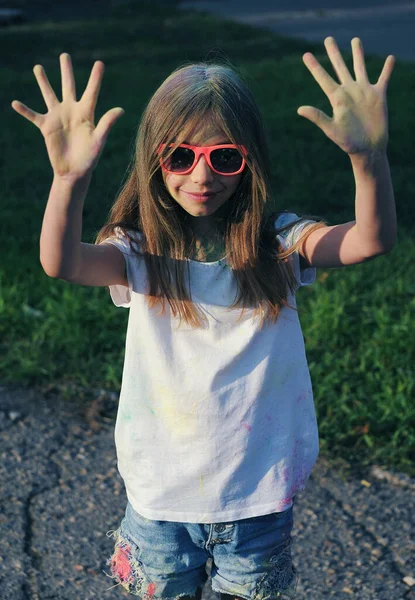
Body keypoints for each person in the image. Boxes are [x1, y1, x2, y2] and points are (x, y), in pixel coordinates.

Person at [11, 36, 396, 599]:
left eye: (224, 157)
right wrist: (68, 181)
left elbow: (371, 240)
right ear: (154, 159)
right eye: (180, 156)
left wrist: (369, 159)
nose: (201, 175)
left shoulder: (279, 246)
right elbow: (61, 263)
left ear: (249, 162)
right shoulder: (138, 254)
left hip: (257, 500)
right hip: (160, 503)